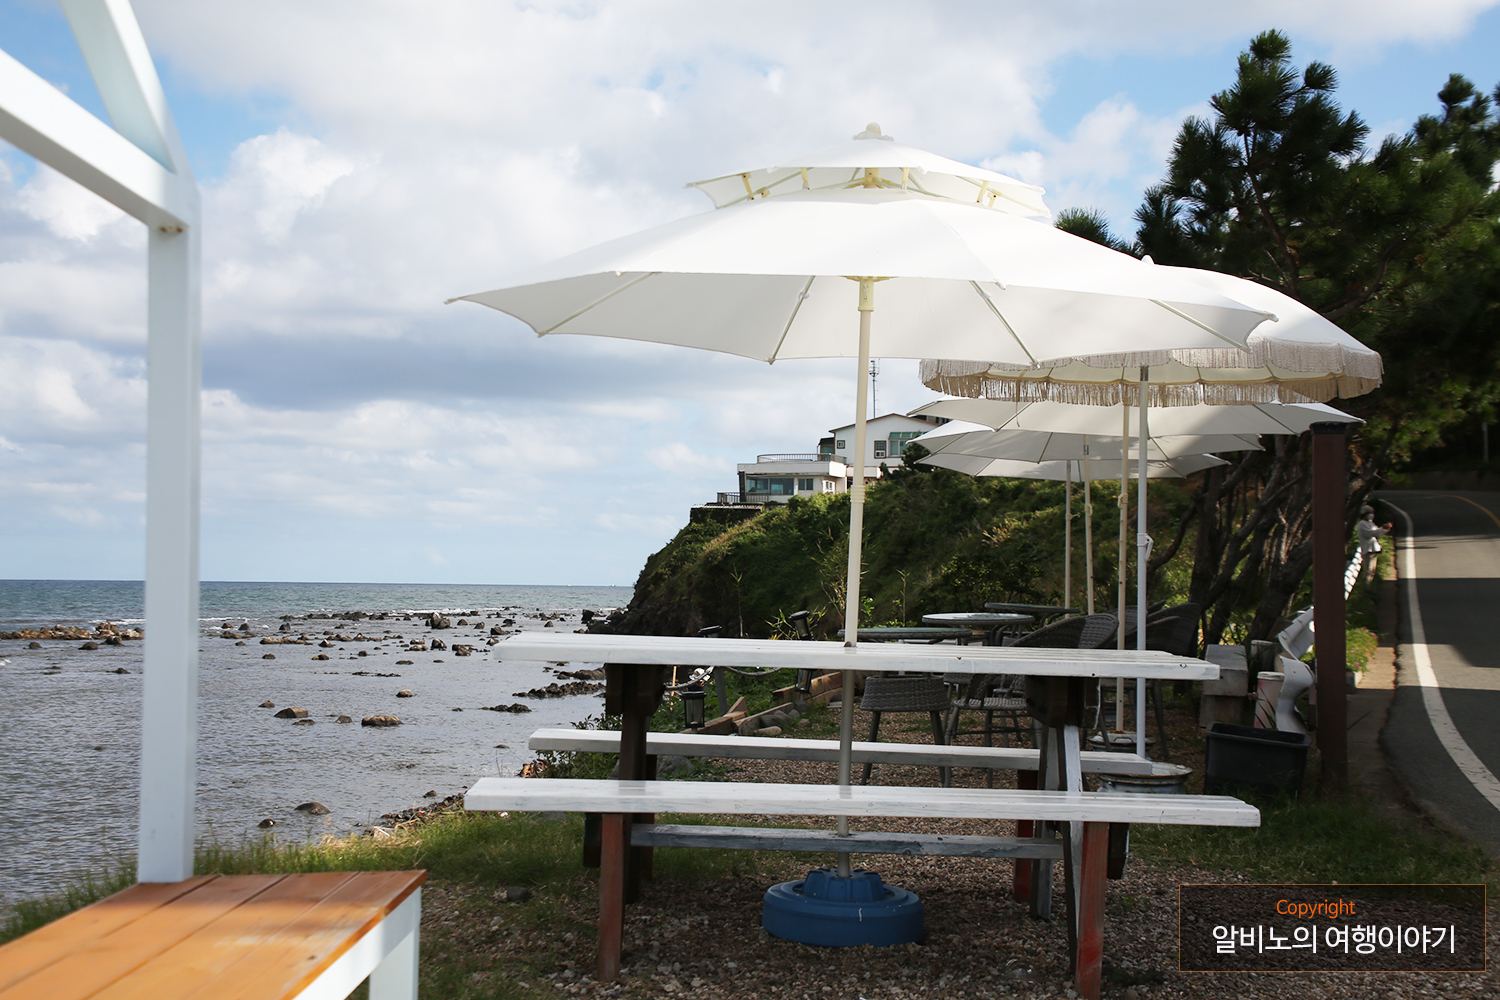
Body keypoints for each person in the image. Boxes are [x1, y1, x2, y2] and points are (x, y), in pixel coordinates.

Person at [1357, 505, 1393, 584]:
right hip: (1367, 550)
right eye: (1370, 513)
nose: (1372, 515)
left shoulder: (1370, 523)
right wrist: (1383, 529)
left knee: (1372, 571)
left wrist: (1385, 528)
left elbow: (1377, 533)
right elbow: (1371, 533)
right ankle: (1366, 586)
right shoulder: (1362, 524)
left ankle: (1369, 585)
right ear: (1365, 514)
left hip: (1373, 549)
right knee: (1368, 570)